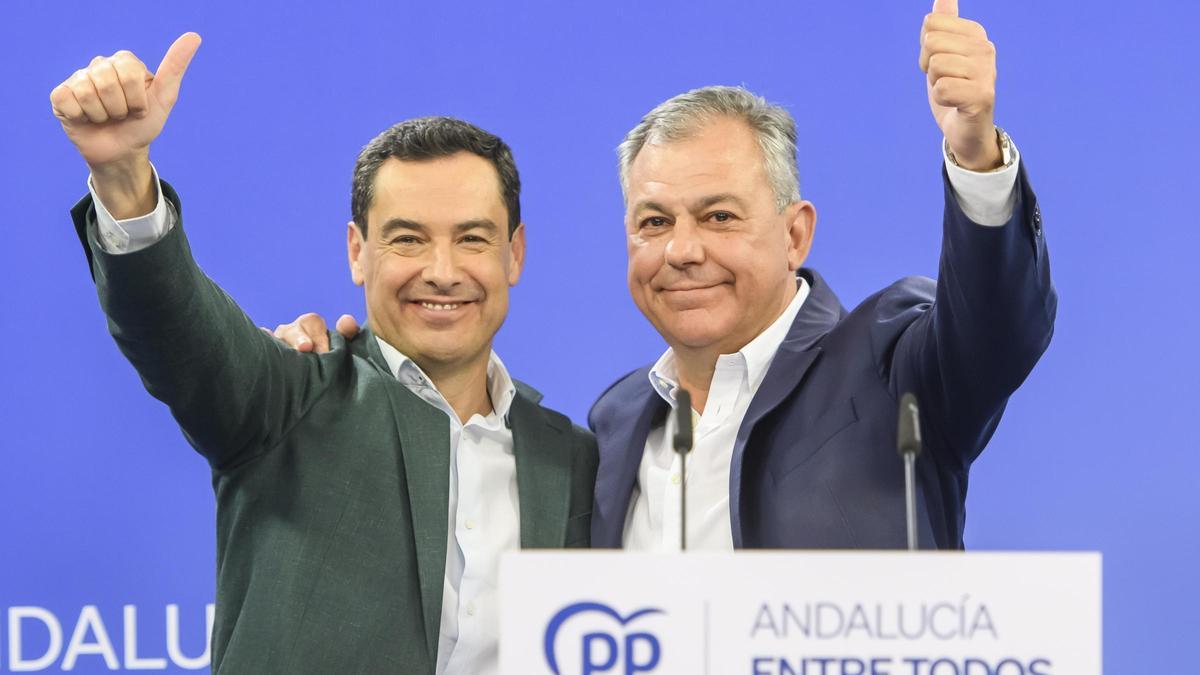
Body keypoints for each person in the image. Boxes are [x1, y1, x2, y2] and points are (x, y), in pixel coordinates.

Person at [281, 0, 1054, 552]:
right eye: (654, 222)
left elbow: (996, 326)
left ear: (795, 234)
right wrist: (327, 372)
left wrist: (975, 154)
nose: (682, 249)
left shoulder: (892, 357)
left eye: (718, 217)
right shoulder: (614, 423)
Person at [51, 33, 596, 674]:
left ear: (515, 254)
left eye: (473, 239)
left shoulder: (573, 459)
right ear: (357, 252)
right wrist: (123, 176)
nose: (443, 271)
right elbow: (179, 331)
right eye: (408, 239)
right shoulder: (287, 397)